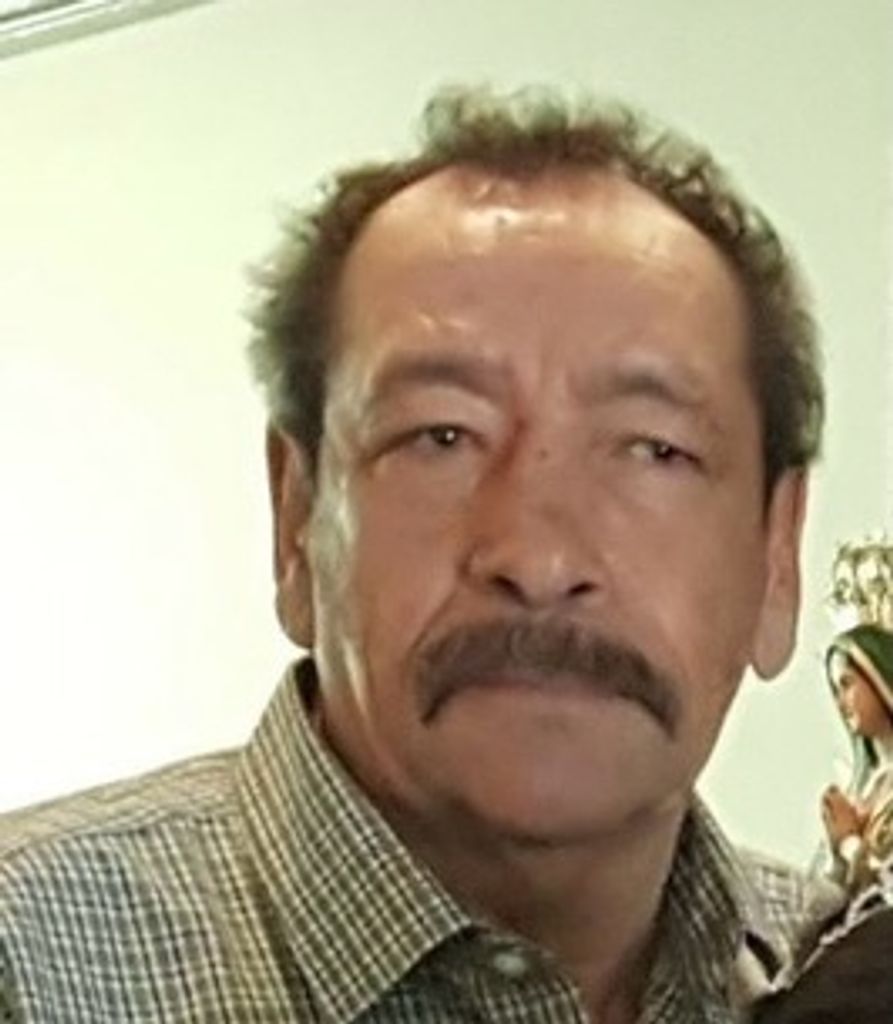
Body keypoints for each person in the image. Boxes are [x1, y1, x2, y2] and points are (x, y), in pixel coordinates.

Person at [0, 85, 828, 1023]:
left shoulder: (841, 970)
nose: (539, 559)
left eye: (653, 449)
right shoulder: (28, 970)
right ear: (296, 521)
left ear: (777, 558)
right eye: (440, 437)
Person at [820, 623, 893, 893]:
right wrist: (836, 855)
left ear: (877, 675)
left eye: (847, 684)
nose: (841, 704)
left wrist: (849, 842)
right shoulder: (862, 792)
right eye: (835, 692)